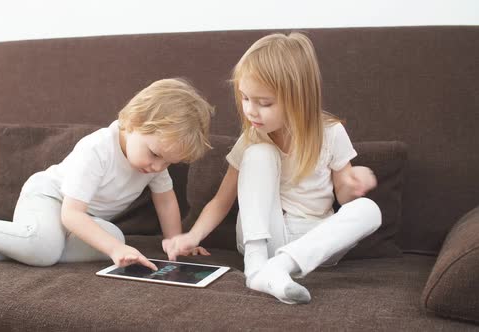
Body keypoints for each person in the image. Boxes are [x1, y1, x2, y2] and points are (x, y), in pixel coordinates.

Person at [163, 33, 381, 304]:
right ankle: (256, 269)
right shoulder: (252, 137)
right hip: (263, 239)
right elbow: (222, 200)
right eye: (245, 98)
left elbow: (344, 197)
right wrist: (191, 236)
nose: (251, 111)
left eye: (264, 103)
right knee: (258, 153)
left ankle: (279, 269)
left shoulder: (331, 133)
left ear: (298, 99)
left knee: (370, 210)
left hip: (313, 242)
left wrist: (353, 184)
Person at [0, 78, 214, 271]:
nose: (158, 167)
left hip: (79, 222)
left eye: (168, 163)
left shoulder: (153, 165)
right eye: (155, 155)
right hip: (48, 199)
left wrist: (175, 240)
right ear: (133, 122)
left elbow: (165, 198)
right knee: (57, 249)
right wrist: (114, 250)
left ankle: (13, 249)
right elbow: (72, 214)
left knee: (116, 236)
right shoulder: (98, 149)